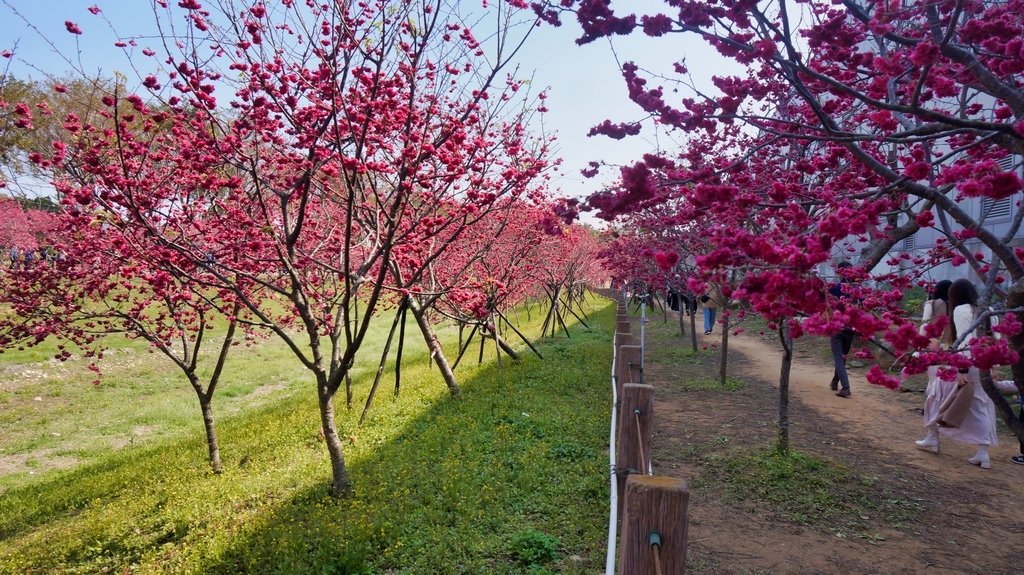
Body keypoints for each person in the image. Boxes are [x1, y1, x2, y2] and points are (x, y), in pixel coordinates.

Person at [918, 279, 998, 468]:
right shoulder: (991, 310)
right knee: (980, 405)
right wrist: (993, 365)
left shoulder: (961, 310)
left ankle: (933, 436)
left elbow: (964, 340)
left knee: (936, 395)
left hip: (967, 363)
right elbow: (996, 338)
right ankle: (983, 452)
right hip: (985, 362)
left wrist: (962, 369)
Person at [914, 280, 953, 450]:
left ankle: (932, 436)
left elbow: (924, 325)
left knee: (933, 389)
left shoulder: (931, 304)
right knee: (943, 389)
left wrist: (918, 349)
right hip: (951, 349)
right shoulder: (957, 306)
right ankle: (934, 434)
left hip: (933, 347)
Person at [828, 262, 856, 398]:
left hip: (837, 326)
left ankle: (846, 388)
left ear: (839, 273)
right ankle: (834, 382)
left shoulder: (834, 288)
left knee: (839, 357)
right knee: (842, 357)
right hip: (851, 328)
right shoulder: (857, 290)